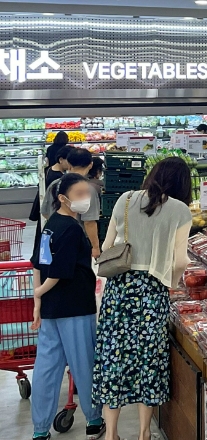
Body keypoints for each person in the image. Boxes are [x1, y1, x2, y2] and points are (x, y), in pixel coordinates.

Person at [93, 157, 192, 440]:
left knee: (115, 358)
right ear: (182, 184)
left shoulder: (125, 198)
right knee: (148, 361)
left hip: (119, 291)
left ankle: (111, 433)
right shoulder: (180, 210)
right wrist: (170, 281)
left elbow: (106, 245)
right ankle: (144, 433)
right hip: (151, 294)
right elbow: (181, 260)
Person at [30, 173, 105, 440]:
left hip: (52, 309)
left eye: (88, 193)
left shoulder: (50, 224)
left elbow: (38, 264)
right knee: (83, 364)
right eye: (80, 195)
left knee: (46, 368)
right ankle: (94, 421)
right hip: (75, 306)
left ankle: (40, 429)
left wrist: (38, 301)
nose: (86, 199)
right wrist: (40, 291)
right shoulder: (73, 229)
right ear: (63, 198)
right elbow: (58, 273)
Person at [42, 148, 101, 259]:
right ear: (90, 164)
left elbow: (45, 212)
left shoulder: (55, 184)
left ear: (68, 163)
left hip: (53, 237)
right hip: (76, 241)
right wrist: (95, 247)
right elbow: (89, 222)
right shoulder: (87, 189)